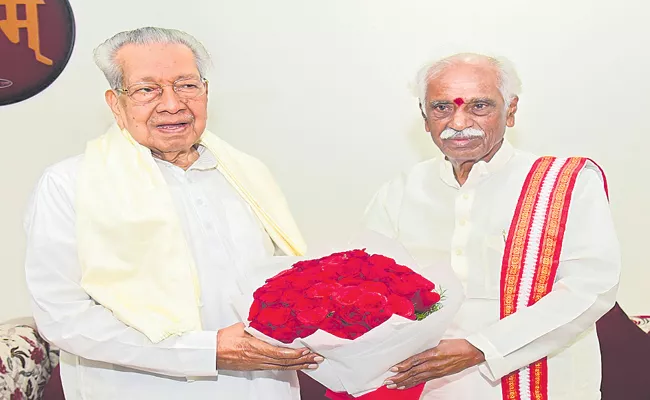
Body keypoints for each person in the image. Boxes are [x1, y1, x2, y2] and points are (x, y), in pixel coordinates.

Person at [24, 27, 322, 400]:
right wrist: (204, 351)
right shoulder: (69, 184)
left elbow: (285, 280)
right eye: (147, 90)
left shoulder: (247, 175)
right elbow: (62, 316)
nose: (172, 104)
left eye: (186, 85)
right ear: (116, 103)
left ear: (206, 92)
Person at [363, 53, 620, 399]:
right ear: (424, 118)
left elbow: (591, 287)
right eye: (441, 108)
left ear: (511, 111)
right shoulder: (399, 191)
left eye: (479, 106)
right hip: (430, 388)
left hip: (543, 381)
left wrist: (480, 347)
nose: (458, 121)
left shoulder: (566, 184)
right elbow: (368, 287)